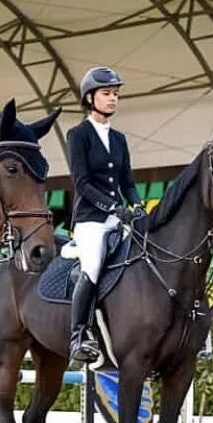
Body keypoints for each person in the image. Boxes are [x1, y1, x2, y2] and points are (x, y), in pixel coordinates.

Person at [65, 66, 145, 366]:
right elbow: (82, 183)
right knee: (94, 266)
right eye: (107, 94)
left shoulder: (120, 139)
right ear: (90, 98)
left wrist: (136, 205)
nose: (113, 99)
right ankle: (78, 335)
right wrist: (112, 208)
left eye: (115, 94)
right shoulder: (78, 135)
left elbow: (127, 181)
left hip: (118, 218)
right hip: (90, 220)